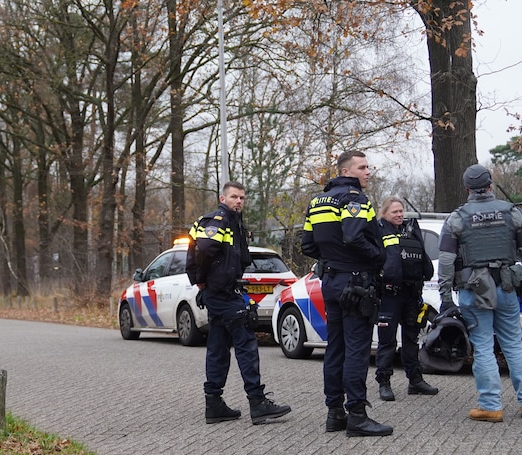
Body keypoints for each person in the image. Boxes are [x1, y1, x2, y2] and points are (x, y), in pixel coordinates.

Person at [438, 164, 522, 423]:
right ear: (490, 185)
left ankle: (491, 406)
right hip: (507, 286)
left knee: (483, 346)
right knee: (513, 344)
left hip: (473, 291)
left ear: (467, 189)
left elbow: (446, 259)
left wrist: (444, 296)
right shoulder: (512, 213)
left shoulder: (457, 218)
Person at [300, 151, 393, 437]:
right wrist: (378, 256)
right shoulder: (355, 199)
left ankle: (334, 413)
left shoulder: (316, 202)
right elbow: (354, 237)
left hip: (331, 281)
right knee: (356, 349)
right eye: (362, 167)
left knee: (335, 348)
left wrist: (332, 257)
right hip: (356, 283)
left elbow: (307, 245)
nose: (368, 172)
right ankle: (357, 415)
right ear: (346, 171)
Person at [188, 182, 291, 425]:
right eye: (234, 197)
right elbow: (204, 248)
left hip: (223, 292)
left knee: (218, 345)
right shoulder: (219, 219)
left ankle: (214, 404)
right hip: (222, 293)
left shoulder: (235, 223)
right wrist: (202, 281)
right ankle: (257, 402)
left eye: (242, 197)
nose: (239, 201)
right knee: (246, 343)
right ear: (223, 197)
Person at [373, 196, 439, 400]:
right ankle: (384, 382)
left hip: (412, 293)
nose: (400, 214)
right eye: (395, 212)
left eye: (401, 211)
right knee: (387, 341)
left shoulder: (410, 231)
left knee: (411, 338)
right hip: (389, 294)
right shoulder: (378, 232)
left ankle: (415, 380)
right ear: (384, 213)